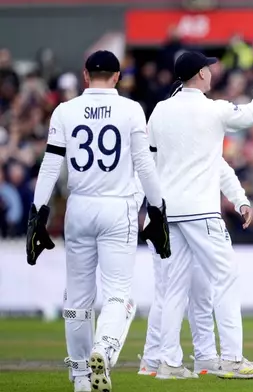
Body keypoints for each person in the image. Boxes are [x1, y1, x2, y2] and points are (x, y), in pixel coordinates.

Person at [146, 36, 253, 379]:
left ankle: (168, 362)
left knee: (174, 288)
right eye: (209, 68)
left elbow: (152, 161)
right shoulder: (214, 109)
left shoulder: (159, 110)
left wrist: (152, 208)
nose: (213, 72)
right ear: (200, 74)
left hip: (169, 212)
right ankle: (231, 359)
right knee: (226, 278)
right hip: (201, 211)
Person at [26, 50, 170, 392]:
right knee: (118, 293)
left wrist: (38, 211)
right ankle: (104, 349)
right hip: (117, 206)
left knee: (77, 300)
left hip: (79, 206)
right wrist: (157, 209)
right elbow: (144, 165)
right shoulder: (131, 109)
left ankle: (79, 378)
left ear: (86, 75)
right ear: (118, 77)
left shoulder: (65, 110)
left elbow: (50, 165)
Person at [138, 158, 253, 378]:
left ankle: (199, 356)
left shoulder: (167, 129)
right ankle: (158, 359)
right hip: (185, 219)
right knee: (173, 291)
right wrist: (240, 199)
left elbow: (141, 168)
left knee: (198, 292)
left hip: (172, 218)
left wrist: (240, 200)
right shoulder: (189, 131)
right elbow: (221, 167)